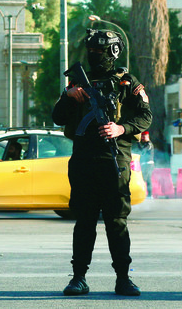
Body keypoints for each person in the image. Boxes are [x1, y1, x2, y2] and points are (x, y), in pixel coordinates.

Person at [52, 29, 152, 297]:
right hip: (84, 160)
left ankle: (123, 278)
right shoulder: (77, 83)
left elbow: (145, 117)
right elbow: (59, 118)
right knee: (84, 221)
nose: (95, 56)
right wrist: (67, 97)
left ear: (113, 52)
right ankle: (78, 278)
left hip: (115, 160)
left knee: (116, 222)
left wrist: (120, 129)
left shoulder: (127, 83)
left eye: (100, 51)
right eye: (92, 51)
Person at [138, 131, 155, 197]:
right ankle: (149, 195)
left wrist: (138, 143)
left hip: (148, 164)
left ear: (147, 136)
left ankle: (148, 194)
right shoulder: (145, 144)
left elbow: (142, 151)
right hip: (145, 164)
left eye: (144, 136)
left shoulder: (149, 144)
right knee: (147, 179)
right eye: (142, 136)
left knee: (145, 179)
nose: (142, 138)